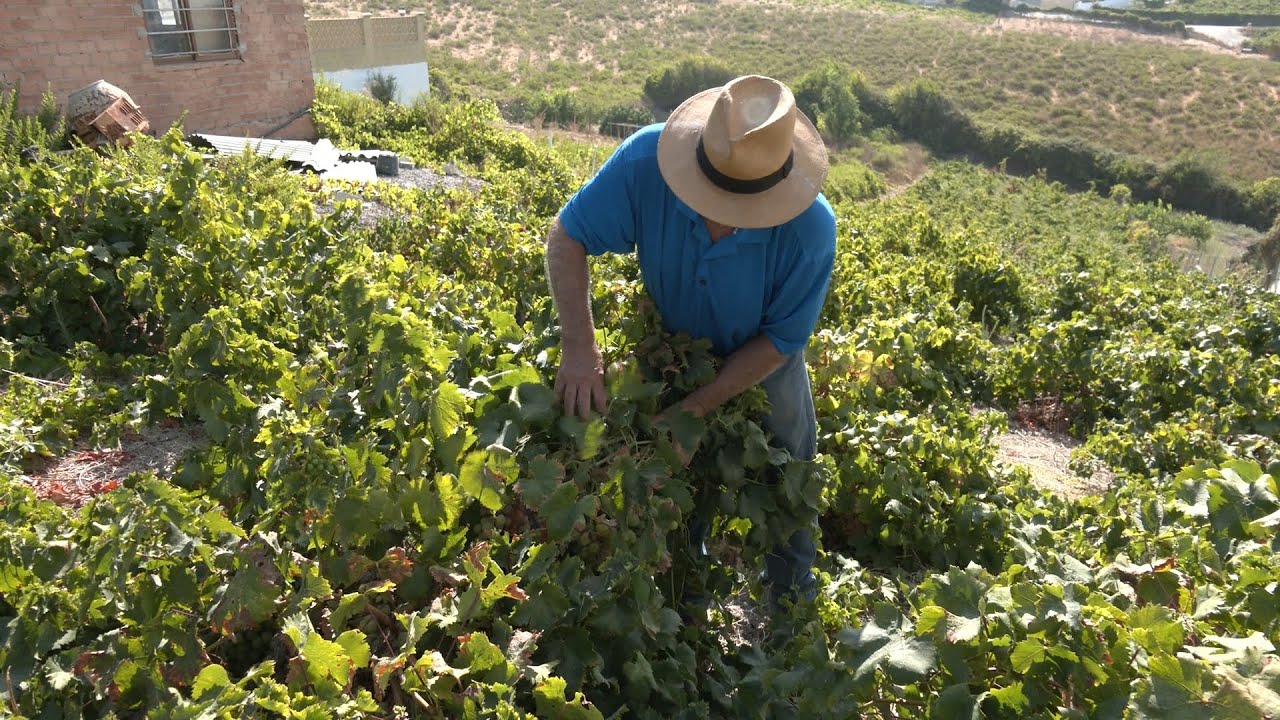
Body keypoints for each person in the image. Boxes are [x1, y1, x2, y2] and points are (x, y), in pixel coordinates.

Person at [543, 75, 837, 609]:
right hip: (672, 347)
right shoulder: (643, 163)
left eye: (739, 205)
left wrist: (696, 408)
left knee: (788, 476)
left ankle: (790, 603)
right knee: (672, 482)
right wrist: (579, 347)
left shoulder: (810, 230)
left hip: (765, 361)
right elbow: (568, 236)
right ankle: (685, 589)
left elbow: (780, 341)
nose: (721, 214)